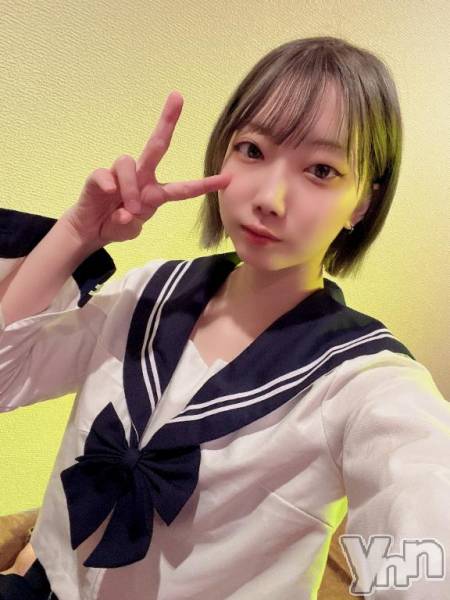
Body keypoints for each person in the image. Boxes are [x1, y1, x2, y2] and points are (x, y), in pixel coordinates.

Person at [0, 35, 448, 600]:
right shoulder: (150, 293)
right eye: (252, 150)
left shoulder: (365, 382)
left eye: (321, 169)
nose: (270, 198)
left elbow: (425, 525)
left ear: (363, 202)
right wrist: (75, 234)